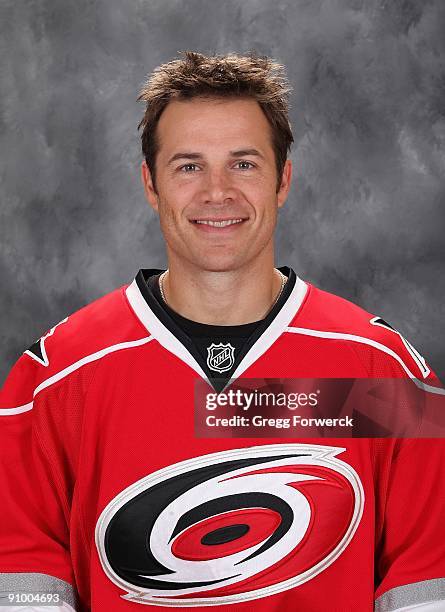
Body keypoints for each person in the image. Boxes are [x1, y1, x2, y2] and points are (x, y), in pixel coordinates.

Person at [1, 51, 444, 612]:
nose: (217, 192)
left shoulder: (382, 369)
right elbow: (22, 585)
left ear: (283, 179)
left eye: (244, 164)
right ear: (150, 184)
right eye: (189, 165)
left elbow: (426, 583)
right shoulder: (55, 378)